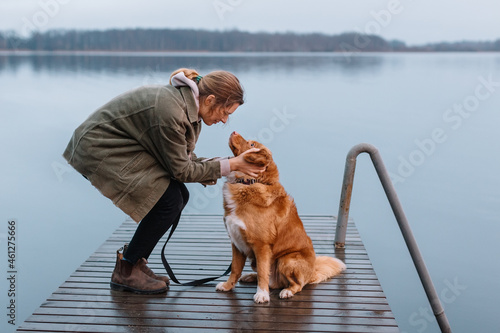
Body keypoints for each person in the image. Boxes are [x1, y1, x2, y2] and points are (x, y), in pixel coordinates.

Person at [63, 68, 264, 294]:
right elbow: (181, 170)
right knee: (167, 200)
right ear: (210, 100)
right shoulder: (172, 112)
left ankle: (134, 262)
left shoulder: (188, 109)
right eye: (225, 112)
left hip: (126, 144)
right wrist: (233, 165)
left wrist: (231, 164)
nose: (224, 120)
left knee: (178, 196)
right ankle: (126, 270)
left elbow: (184, 159)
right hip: (100, 148)